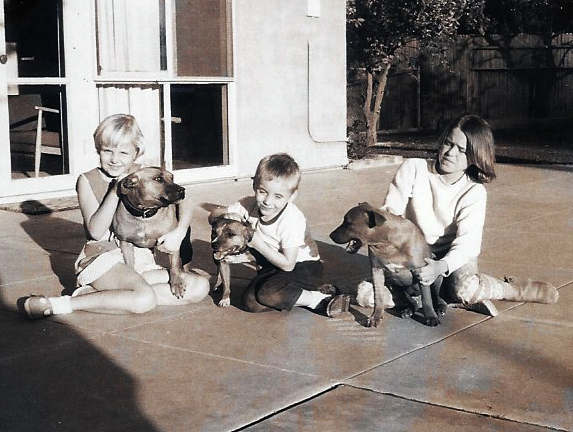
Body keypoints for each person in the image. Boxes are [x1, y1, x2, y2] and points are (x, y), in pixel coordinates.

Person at [24, 114, 209, 318]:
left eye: (123, 152)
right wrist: (116, 190)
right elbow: (95, 232)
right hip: (102, 257)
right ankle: (63, 303)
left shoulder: (144, 174)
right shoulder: (88, 180)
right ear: (98, 150)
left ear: (136, 154)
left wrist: (179, 232)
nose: (114, 159)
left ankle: (107, 297)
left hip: (140, 260)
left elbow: (185, 202)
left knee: (199, 286)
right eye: (107, 151)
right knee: (144, 299)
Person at [381, 114, 558, 316]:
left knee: (464, 288)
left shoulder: (473, 191)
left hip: (450, 258)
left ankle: (513, 289)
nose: (450, 153)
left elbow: (468, 243)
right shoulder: (413, 168)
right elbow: (390, 212)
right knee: (367, 295)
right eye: (448, 143)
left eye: (462, 150)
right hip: (413, 254)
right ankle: (435, 295)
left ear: (475, 157)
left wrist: (441, 266)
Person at [211, 153, 350, 317]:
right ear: (254, 184)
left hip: (303, 267)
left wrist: (257, 243)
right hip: (272, 264)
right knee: (250, 303)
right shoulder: (247, 204)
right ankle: (293, 294)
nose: (268, 201)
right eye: (262, 192)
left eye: (278, 196)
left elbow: (288, 265)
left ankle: (318, 297)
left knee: (267, 294)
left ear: (292, 196)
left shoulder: (291, 220)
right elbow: (212, 216)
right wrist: (224, 216)